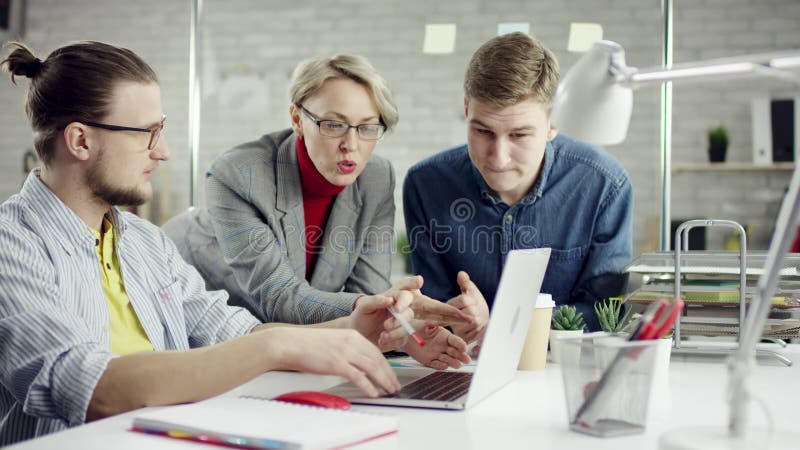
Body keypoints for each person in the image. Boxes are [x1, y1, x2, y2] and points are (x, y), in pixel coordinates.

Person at [0, 41, 415, 446]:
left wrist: (353, 327)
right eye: (147, 133)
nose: (162, 151)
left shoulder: (146, 243)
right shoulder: (11, 245)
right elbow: (89, 388)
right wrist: (275, 346)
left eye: (160, 130)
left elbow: (232, 331)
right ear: (80, 141)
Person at [162, 54, 471, 368]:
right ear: (297, 119)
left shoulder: (376, 177)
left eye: (366, 128)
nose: (351, 144)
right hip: (184, 312)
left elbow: (367, 292)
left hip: (277, 339)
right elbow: (279, 298)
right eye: (334, 125)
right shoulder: (240, 174)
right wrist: (381, 307)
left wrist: (404, 333)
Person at [403, 32, 633, 336]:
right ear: (466, 109)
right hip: (462, 366)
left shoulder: (605, 186)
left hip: (557, 368)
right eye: (483, 131)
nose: (498, 158)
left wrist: (502, 325)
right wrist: (454, 314)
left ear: (553, 123)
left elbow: (606, 313)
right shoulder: (426, 184)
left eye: (519, 135)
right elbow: (429, 307)